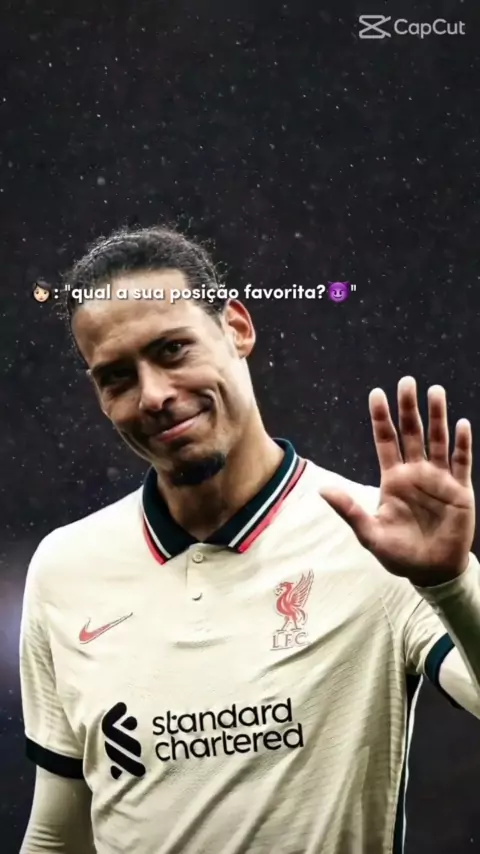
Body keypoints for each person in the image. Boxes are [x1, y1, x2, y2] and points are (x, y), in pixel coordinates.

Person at [19, 225, 480, 854]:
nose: (153, 395)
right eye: (117, 377)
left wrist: (449, 583)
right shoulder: (66, 569)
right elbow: (58, 831)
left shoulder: (378, 542)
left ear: (237, 328)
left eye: (172, 349)